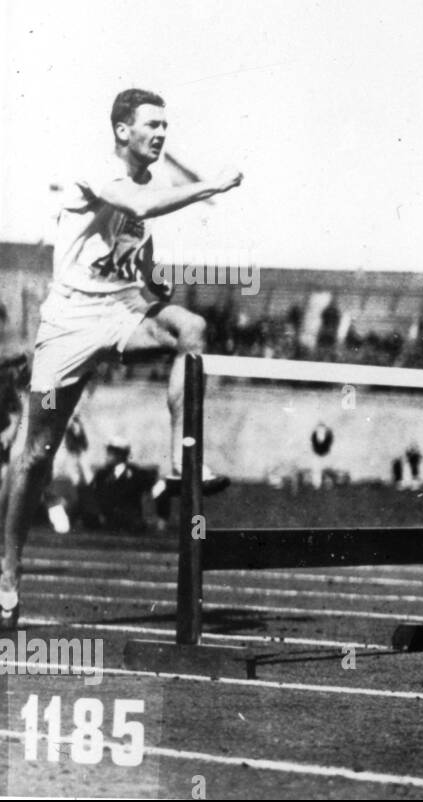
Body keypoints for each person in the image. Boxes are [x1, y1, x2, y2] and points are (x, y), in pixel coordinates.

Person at [0, 88, 242, 629]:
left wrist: (152, 292)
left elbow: (140, 252)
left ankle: (183, 457)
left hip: (118, 313)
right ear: (121, 130)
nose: (160, 134)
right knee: (36, 456)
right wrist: (211, 185)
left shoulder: (147, 187)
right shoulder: (96, 172)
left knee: (191, 329)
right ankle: (7, 575)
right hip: (68, 324)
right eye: (151, 125)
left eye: (165, 127)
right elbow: (137, 206)